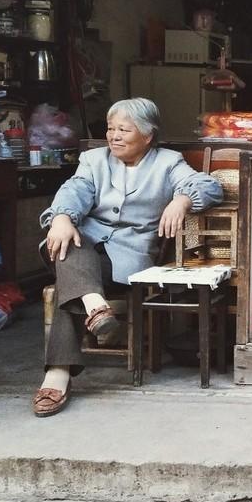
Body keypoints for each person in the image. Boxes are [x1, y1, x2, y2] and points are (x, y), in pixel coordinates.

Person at [33, 98, 223, 416]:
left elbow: (209, 186)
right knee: (68, 244)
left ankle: (58, 373)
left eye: (124, 129)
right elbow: (74, 190)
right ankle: (95, 309)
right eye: (110, 128)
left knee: (68, 268)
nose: (114, 136)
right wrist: (62, 217)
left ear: (148, 135)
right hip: (83, 246)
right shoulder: (93, 160)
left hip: (124, 261)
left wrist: (182, 200)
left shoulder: (168, 163)